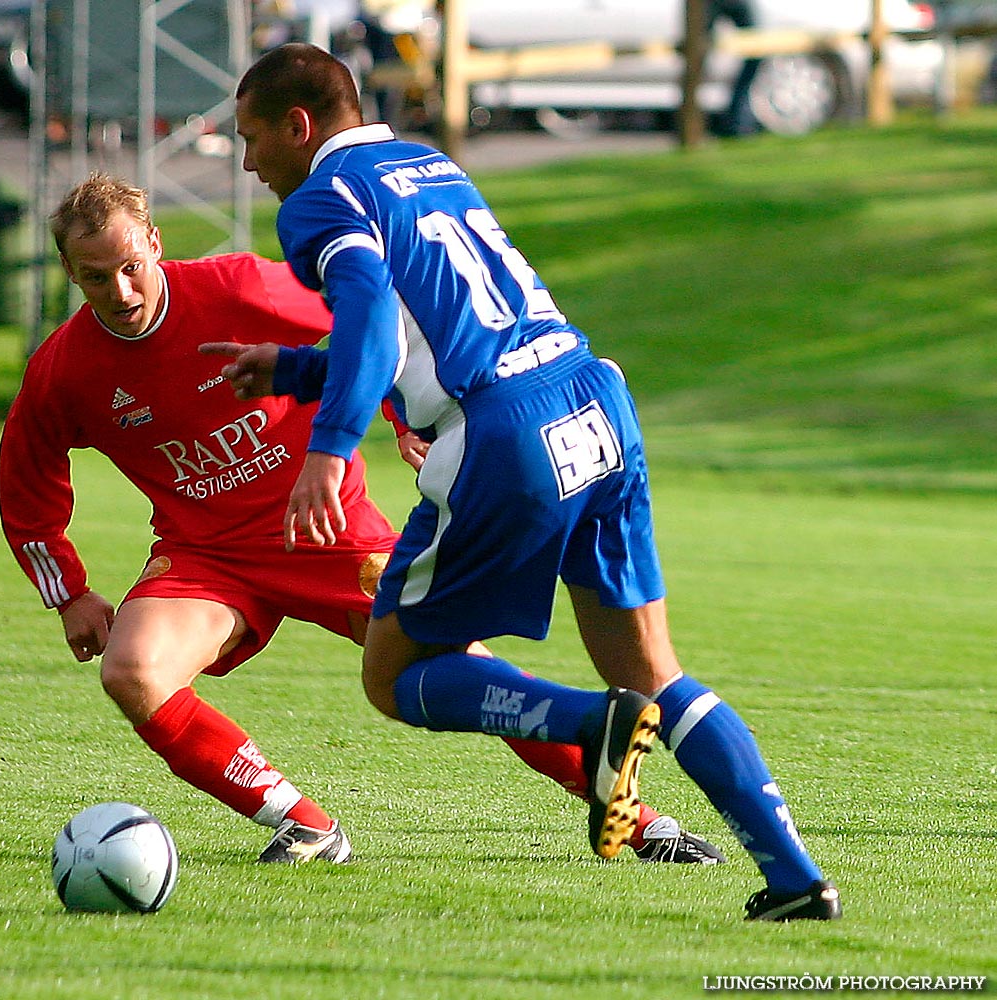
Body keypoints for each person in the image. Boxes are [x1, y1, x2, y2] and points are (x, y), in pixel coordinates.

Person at [213, 42, 840, 919]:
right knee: (654, 668)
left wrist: (329, 446)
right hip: (592, 398)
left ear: (299, 126)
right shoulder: (426, 163)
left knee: (394, 675)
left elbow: (368, 317)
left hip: (501, 431)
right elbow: (430, 323)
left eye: (250, 139)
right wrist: (294, 369)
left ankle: (592, 724)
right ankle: (795, 879)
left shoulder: (321, 198)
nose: (248, 162)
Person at [0, 171, 720, 867]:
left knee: (457, 670)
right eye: (96, 278)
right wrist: (69, 591)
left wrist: (409, 412)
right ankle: (302, 824)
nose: (119, 291)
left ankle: (640, 822)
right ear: (70, 273)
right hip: (205, 556)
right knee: (132, 671)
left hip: (329, 532)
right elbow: (25, 480)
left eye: (128, 266)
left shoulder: (235, 287)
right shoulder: (65, 369)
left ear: (152, 240)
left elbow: (373, 324)